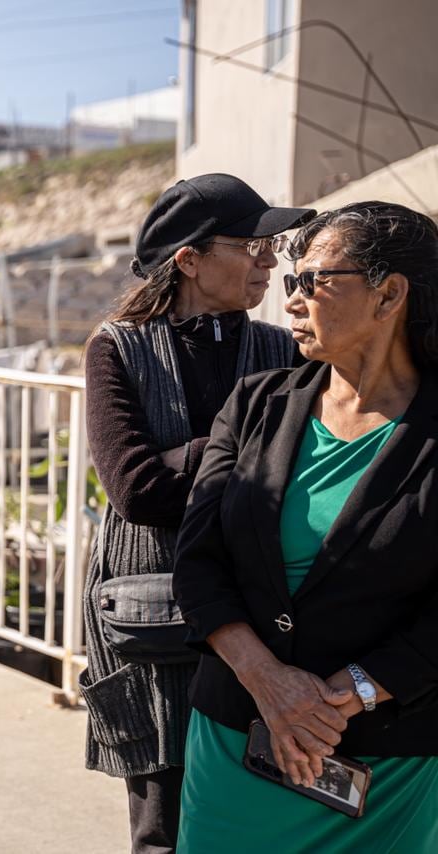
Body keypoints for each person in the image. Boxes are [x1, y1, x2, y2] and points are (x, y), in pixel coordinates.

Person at [173, 201, 438, 851]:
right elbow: (198, 565)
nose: (290, 299)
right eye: (289, 281)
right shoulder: (257, 405)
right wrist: (269, 682)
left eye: (313, 280)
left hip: (387, 769)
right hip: (235, 740)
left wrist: (344, 695)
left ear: (390, 294)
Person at [80, 174, 314, 853]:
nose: (272, 261)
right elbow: (137, 490)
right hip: (157, 620)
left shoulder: (285, 349)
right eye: (254, 245)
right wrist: (246, 447)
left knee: (259, 813)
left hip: (266, 620)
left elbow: (302, 472)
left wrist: (193, 458)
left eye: (276, 246)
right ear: (190, 259)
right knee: (165, 828)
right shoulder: (116, 346)